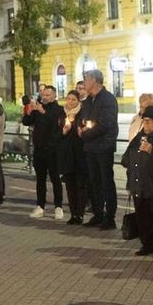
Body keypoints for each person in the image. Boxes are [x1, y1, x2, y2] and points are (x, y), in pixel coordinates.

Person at [122, 106, 153, 258]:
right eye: (144, 121)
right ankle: (146, 244)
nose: (146, 125)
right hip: (139, 184)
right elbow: (126, 158)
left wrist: (152, 151)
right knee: (142, 216)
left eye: (149, 122)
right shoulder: (139, 136)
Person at [79, 69, 119, 229]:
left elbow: (106, 124)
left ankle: (110, 218)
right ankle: (98, 214)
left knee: (106, 181)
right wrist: (81, 127)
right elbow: (84, 119)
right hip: (90, 147)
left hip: (104, 146)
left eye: (86, 79)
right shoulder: (88, 100)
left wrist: (86, 133)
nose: (84, 83)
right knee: (93, 182)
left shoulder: (108, 99)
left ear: (94, 81)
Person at [23, 85, 65, 219]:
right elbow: (26, 122)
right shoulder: (37, 108)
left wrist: (43, 112)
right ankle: (40, 205)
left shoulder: (59, 110)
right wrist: (28, 111)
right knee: (40, 179)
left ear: (54, 96)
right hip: (39, 149)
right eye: (43, 94)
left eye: (48, 95)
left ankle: (58, 206)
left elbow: (56, 125)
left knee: (55, 179)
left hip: (53, 150)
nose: (44, 97)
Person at [58, 90, 89, 225]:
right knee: (70, 185)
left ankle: (80, 213)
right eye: (68, 99)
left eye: (73, 100)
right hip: (67, 155)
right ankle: (73, 213)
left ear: (78, 101)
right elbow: (57, 133)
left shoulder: (83, 114)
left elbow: (86, 130)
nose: (70, 102)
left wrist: (82, 133)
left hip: (80, 154)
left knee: (80, 185)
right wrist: (63, 132)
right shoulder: (62, 114)